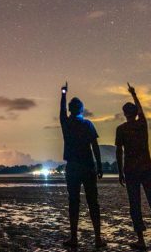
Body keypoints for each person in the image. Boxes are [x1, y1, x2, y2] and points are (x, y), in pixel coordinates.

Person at [115, 83, 151, 251]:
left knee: (135, 205)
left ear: (125, 114)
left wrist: (120, 172)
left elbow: (119, 152)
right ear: (135, 113)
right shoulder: (142, 124)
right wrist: (134, 94)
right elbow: (141, 111)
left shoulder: (121, 129)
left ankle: (141, 240)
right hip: (147, 168)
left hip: (131, 170)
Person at [60, 82, 106, 249]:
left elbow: (61, 112)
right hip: (87, 166)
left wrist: (63, 94)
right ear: (81, 109)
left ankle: (74, 238)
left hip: (73, 167)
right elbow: (95, 146)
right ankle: (98, 238)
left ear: (71, 109)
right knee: (93, 202)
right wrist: (99, 166)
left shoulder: (67, 123)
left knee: (74, 202)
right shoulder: (87, 124)